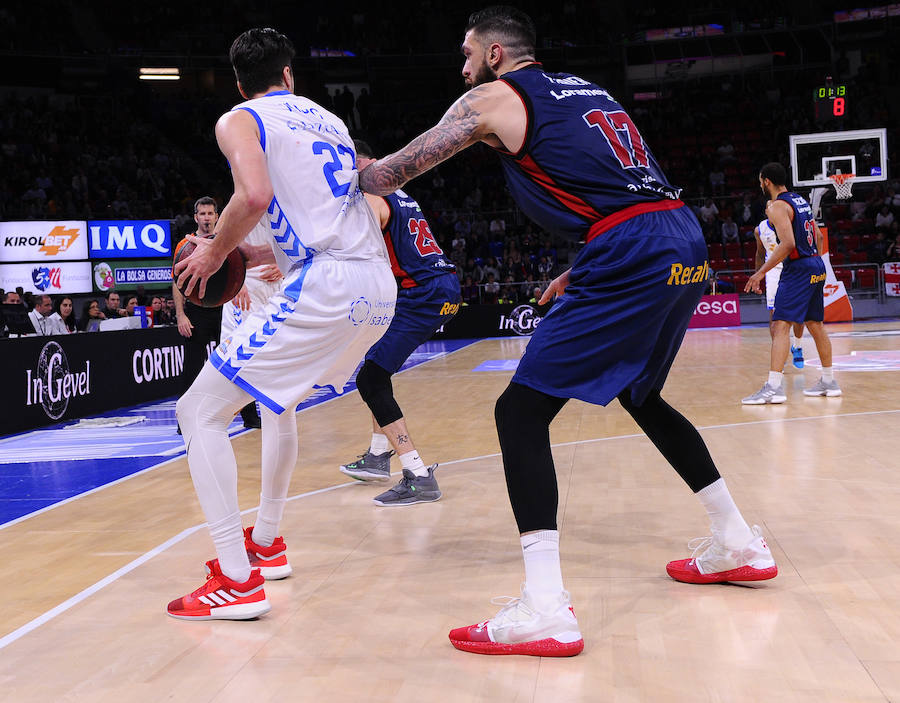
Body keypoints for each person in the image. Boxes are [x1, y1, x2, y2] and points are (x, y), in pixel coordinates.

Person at [359, 6, 775, 657]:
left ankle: (546, 607)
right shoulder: (588, 90)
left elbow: (388, 175)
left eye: (467, 53)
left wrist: (327, 167)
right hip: (680, 235)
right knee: (643, 396)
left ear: (496, 54)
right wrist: (583, 265)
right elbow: (617, 186)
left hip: (633, 248)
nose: (462, 66)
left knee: (518, 412)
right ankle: (739, 541)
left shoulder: (491, 97)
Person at [168, 27, 395, 622]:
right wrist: (269, 257)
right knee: (277, 406)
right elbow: (333, 210)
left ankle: (236, 580)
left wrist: (215, 251)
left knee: (198, 413)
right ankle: (266, 543)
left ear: (239, 84)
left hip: (327, 285)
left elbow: (256, 193)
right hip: (375, 284)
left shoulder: (239, 118)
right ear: (291, 74)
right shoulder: (331, 121)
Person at [338, 140, 461, 505]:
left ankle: (417, 474)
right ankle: (378, 456)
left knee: (370, 379)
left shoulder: (374, 197)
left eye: (352, 165)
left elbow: (352, 249)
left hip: (422, 293)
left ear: (369, 161)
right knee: (377, 365)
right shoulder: (400, 193)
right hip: (438, 287)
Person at [743, 162, 840, 403]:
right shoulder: (800, 200)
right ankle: (829, 381)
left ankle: (773, 387)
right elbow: (817, 236)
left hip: (798, 268)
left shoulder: (776, 207)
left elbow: (787, 244)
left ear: (766, 181)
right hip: (816, 264)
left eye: (760, 181)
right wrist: (812, 260)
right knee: (815, 324)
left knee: (781, 325)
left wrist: (760, 273)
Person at [173, 197, 260, 431]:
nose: (207, 218)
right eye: (202, 214)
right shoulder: (186, 245)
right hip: (197, 313)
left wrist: (241, 287)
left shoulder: (227, 242)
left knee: (237, 361)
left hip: (224, 310)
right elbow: (177, 282)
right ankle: (185, 420)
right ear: (196, 218)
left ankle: (250, 416)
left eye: (211, 213)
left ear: (217, 216)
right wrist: (181, 315)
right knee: (191, 368)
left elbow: (238, 269)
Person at [751, 216, 806, 369]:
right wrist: (757, 276)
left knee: (799, 315)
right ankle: (779, 352)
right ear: (766, 211)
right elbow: (760, 254)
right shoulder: (760, 229)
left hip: (793, 268)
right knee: (774, 315)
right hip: (773, 271)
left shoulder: (791, 223)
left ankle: (798, 346)